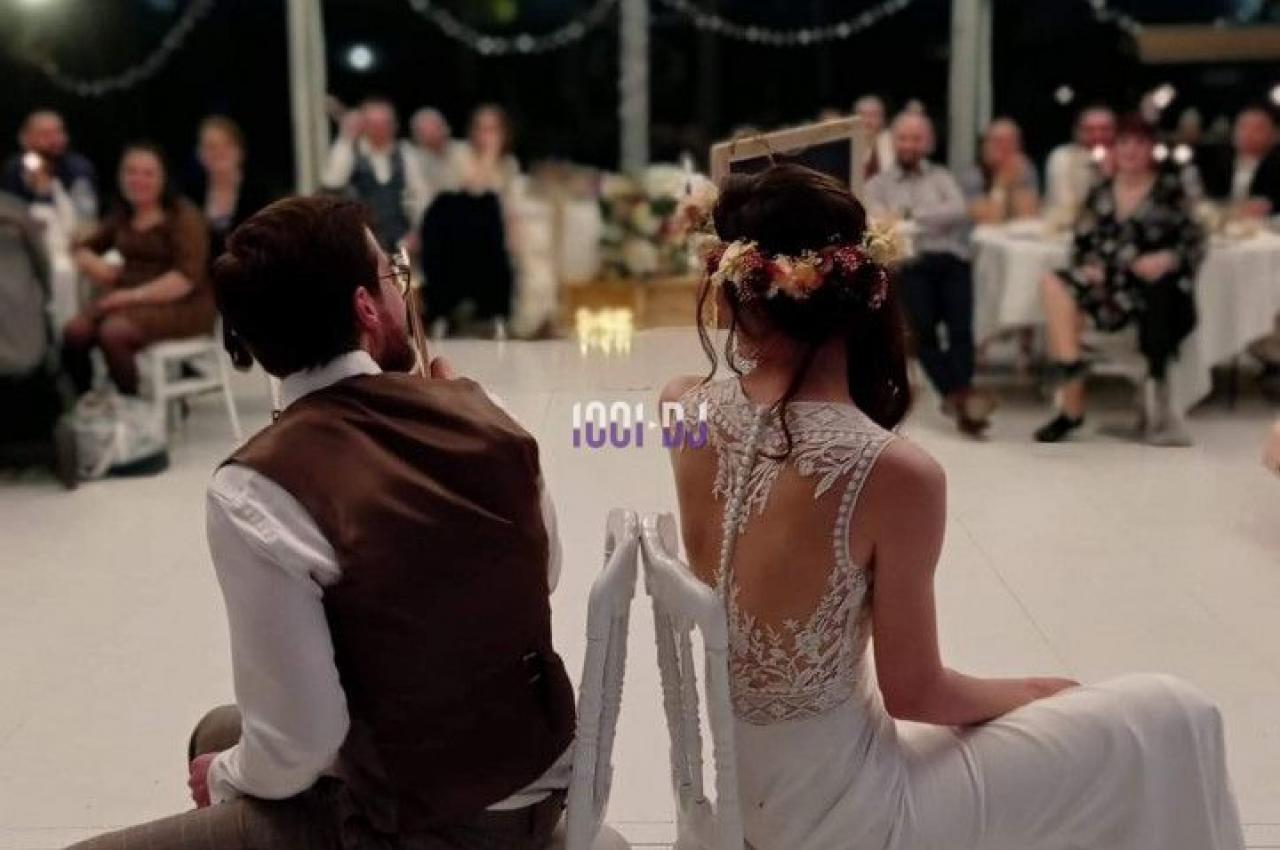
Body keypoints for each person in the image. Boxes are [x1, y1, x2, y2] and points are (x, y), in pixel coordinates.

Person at [661, 163, 1245, 850]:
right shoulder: (895, 471)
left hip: (736, 795)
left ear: (730, 291)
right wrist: (1033, 691)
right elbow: (918, 694)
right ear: (864, 291)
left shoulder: (679, 407)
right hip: (850, 819)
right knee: (1175, 714)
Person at [66, 195, 575, 850]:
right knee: (215, 733)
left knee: (217, 756)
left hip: (425, 820)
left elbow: (301, 743)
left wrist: (224, 777)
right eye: (393, 277)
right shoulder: (484, 411)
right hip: (540, 768)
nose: (402, 291)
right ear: (366, 308)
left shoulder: (258, 486)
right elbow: (547, 571)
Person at [1037, 115, 1205, 446]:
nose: (1131, 151)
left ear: (1151, 150)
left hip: (1147, 287)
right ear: (1114, 150)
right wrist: (1089, 266)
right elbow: (1081, 243)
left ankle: (1072, 406)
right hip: (1107, 283)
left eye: (1140, 144)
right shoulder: (1100, 192)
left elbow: (1194, 240)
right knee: (1053, 283)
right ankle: (1072, 371)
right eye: (1124, 143)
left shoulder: (1169, 190)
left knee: (1157, 297)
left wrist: (1167, 258)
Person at [866, 112, 994, 436]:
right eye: (903, 138)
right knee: (921, 334)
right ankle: (961, 397)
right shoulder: (877, 185)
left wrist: (908, 215)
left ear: (928, 143)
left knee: (962, 330)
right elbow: (879, 222)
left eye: (916, 138)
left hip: (951, 259)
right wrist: (929, 218)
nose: (909, 144)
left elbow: (957, 210)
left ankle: (960, 398)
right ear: (893, 142)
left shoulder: (941, 177)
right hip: (911, 264)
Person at [63, 143, 212, 396]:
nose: (138, 180)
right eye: (131, 172)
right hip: (129, 301)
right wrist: (96, 265)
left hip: (182, 303)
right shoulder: (123, 215)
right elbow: (82, 247)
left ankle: (131, 408)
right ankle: (88, 401)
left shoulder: (183, 217)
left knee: (113, 332)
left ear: (163, 178)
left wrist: (129, 296)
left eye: (148, 173)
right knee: (75, 331)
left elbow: (185, 278)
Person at [420, 105, 521, 336]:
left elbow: (508, 206)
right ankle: (444, 313)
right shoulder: (459, 153)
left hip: (488, 236)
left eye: (492, 129)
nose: (486, 135)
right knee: (476, 206)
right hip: (453, 230)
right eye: (481, 128)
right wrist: (489, 155)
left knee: (492, 215)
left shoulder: (509, 164)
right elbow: (473, 188)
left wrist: (514, 235)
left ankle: (496, 315)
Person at [321, 98, 429, 249]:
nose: (379, 129)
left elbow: (420, 196)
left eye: (385, 123)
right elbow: (333, 183)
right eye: (373, 124)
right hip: (360, 238)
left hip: (400, 239)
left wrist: (418, 231)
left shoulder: (405, 152)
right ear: (363, 125)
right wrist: (346, 137)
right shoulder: (350, 150)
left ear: (395, 125)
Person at [189, 116, 271, 263]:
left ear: (240, 151)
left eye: (227, 144)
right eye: (211, 147)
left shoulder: (259, 191)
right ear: (200, 154)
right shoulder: (192, 194)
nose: (219, 151)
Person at [1, 109, 98, 219]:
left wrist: (44, 191)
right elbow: (8, 212)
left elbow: (85, 215)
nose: (56, 139)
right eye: (46, 134)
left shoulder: (78, 168)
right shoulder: (15, 168)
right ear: (25, 139)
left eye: (59, 132)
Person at [1200, 104, 1280, 217]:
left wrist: (1269, 206)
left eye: (1257, 129)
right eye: (1243, 127)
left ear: (1273, 135)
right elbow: (1206, 195)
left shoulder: (1276, 164)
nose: (1248, 134)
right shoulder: (1217, 159)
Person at [958, 118, 1040, 224]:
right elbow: (991, 220)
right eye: (998, 141)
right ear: (985, 146)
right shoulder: (973, 176)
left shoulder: (1025, 169)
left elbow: (1029, 216)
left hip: (1012, 237)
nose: (1005, 147)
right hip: (976, 238)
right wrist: (1001, 185)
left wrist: (1016, 184)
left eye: (1011, 141)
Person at [1045, 104, 1117, 216]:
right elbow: (1067, 207)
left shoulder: (1127, 159)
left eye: (1105, 129)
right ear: (1078, 132)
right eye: (1090, 130)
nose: (1098, 135)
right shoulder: (1062, 157)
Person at [409, 107, 463, 208]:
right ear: (417, 137)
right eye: (424, 132)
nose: (432, 135)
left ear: (445, 128)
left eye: (435, 128)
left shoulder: (465, 152)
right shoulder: (412, 162)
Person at [854, 95, 896, 180]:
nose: (868, 121)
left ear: (882, 118)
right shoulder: (850, 143)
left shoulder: (895, 141)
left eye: (873, 115)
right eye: (863, 115)